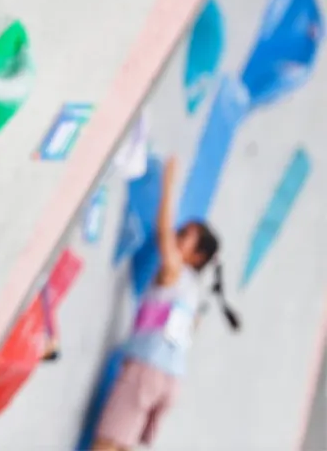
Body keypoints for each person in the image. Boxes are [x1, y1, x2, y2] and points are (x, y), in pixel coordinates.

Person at [94, 155, 239, 450]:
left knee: (106, 444)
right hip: (170, 381)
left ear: (196, 257)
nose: (176, 234)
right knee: (122, 445)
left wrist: (169, 183)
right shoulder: (194, 292)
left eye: (185, 235)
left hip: (146, 371)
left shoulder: (175, 272)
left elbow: (163, 233)